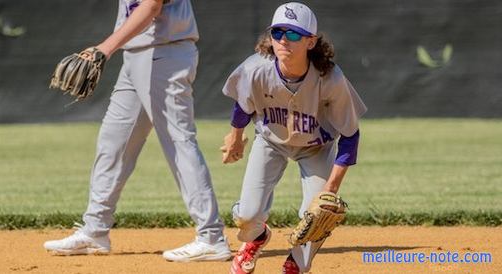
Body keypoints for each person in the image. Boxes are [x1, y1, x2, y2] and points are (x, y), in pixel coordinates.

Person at [44, 0, 231, 262]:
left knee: (179, 143)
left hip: (165, 54)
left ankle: (211, 237)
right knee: (114, 142)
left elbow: (152, 5)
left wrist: (104, 49)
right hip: (136, 56)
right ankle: (95, 231)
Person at [220, 2, 367, 273]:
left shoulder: (331, 79)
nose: (284, 39)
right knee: (246, 216)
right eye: (278, 32)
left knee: (316, 216)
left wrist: (331, 187)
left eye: (294, 34)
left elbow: (350, 135)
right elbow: (243, 104)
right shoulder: (257, 69)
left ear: (311, 42)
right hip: (270, 142)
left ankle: (297, 262)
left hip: (316, 148)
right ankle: (257, 237)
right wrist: (235, 136)